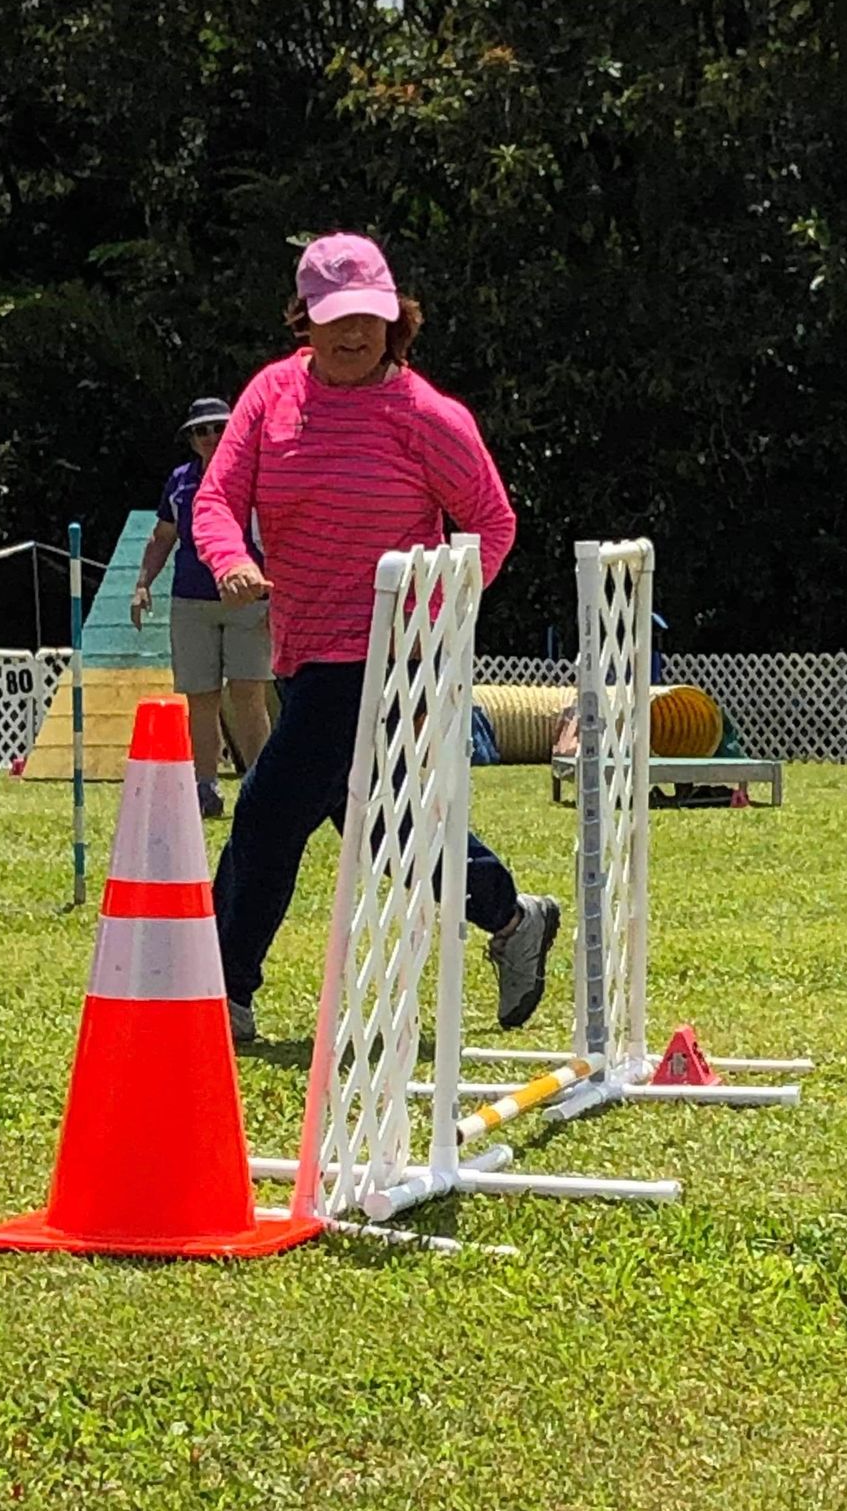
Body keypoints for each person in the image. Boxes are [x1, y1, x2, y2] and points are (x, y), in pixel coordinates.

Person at [191, 232, 560, 1043]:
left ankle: (222, 991)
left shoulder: (426, 416)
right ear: (305, 319)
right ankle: (511, 916)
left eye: (368, 317)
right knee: (383, 825)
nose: (353, 333)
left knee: (268, 809)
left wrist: (433, 618)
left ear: (396, 319)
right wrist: (230, 560)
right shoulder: (270, 395)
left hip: (386, 652)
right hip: (302, 645)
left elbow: (491, 524)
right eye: (335, 318)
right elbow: (216, 498)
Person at [132, 397, 273, 817]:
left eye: (218, 428)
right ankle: (204, 787)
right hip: (191, 599)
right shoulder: (180, 482)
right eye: (201, 430)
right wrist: (142, 584)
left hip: (249, 597)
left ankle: (262, 787)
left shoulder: (256, 475)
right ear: (191, 439)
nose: (210, 436)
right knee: (200, 697)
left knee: (248, 693)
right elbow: (163, 536)